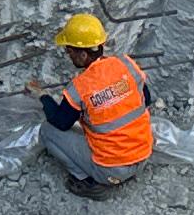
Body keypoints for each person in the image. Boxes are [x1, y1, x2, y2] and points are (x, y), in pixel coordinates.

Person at [35, 12, 153, 198]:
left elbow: (60, 122)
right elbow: (146, 98)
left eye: (69, 51)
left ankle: (88, 182)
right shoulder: (126, 64)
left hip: (111, 171)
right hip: (143, 155)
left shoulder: (80, 87)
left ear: (82, 54)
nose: (68, 55)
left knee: (47, 131)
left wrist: (42, 95)